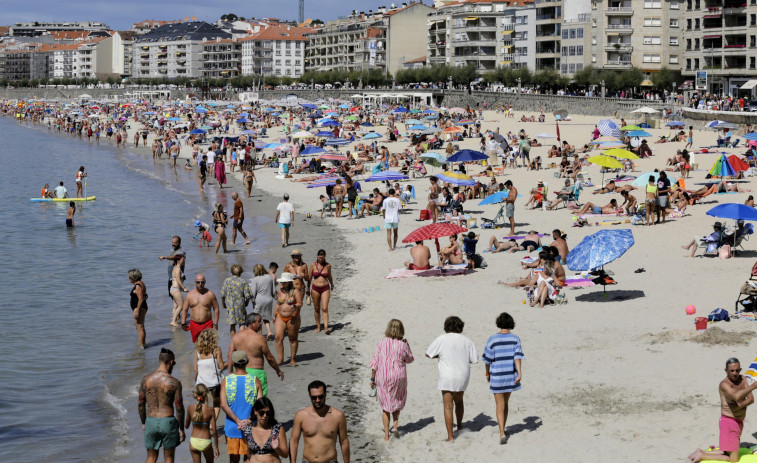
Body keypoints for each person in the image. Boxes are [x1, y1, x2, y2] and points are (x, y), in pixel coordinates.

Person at [688, 358, 757, 463]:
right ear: (726, 371)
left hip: (739, 421)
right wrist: (753, 386)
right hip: (729, 422)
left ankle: (699, 452)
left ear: (740, 369)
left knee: (728, 451)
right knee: (734, 459)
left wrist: (741, 404)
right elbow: (736, 396)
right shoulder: (724, 384)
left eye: (737, 370)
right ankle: (702, 455)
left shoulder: (743, 379)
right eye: (732, 371)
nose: (735, 373)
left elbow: (751, 399)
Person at [425, 316, 479, 442]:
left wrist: (440, 355)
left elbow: (428, 353)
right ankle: (459, 426)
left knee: (448, 406)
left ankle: (450, 436)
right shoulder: (467, 341)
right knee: (459, 401)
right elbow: (474, 359)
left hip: (447, 374)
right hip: (462, 374)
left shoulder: (442, 339)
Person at [482, 312, 524, 445]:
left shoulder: (493, 339)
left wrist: (487, 373)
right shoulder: (515, 339)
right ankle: (503, 429)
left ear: (499, 323)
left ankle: (501, 432)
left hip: (498, 375)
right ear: (511, 323)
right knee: (506, 403)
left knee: (499, 404)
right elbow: (517, 356)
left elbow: (487, 359)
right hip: (510, 375)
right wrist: (519, 373)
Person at [369, 319, 415, 440]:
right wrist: (408, 346)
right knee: (396, 400)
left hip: (383, 376)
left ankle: (386, 435)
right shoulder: (403, 344)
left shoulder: (382, 342)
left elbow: (375, 362)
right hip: (399, 376)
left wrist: (372, 378)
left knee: (385, 406)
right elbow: (410, 359)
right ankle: (395, 425)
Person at [139, 348, 185, 463]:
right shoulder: (174, 382)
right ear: (171, 362)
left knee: (151, 457)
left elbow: (140, 403)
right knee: (169, 458)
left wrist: (144, 422)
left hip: (151, 421)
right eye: (173, 364)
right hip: (167, 421)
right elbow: (179, 407)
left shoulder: (146, 379)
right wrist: (181, 428)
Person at [290, 380, 350, 463]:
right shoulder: (301, 415)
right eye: (314, 397)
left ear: (325, 395)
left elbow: (344, 441)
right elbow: (293, 441)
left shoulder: (338, 416)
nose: (317, 400)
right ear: (309, 396)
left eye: (320, 397)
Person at [228, 313, 285, 398]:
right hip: (257, 373)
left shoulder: (236, 337)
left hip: (241, 373)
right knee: (260, 401)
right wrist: (278, 370)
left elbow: (230, 355)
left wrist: (230, 372)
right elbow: (269, 357)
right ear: (252, 324)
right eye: (259, 321)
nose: (261, 323)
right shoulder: (259, 338)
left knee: (246, 399)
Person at [220, 351, 263, 463]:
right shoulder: (255, 380)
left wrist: (238, 421)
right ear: (247, 362)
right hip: (251, 426)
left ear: (233, 363)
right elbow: (260, 406)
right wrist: (248, 421)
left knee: (233, 459)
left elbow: (223, 405)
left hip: (232, 426)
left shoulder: (226, 381)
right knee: (248, 458)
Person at [242, 397, 289, 462]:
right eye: (261, 413)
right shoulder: (248, 430)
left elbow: (285, 454)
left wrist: (277, 448)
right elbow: (248, 454)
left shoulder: (277, 429)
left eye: (268, 413)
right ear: (255, 411)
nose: (265, 416)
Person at [194, 329, 225, 420]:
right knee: (216, 404)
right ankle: (212, 423)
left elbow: (195, 370)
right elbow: (221, 367)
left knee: (203, 404)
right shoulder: (216, 350)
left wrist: (195, 381)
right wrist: (227, 363)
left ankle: (205, 423)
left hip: (201, 383)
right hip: (214, 383)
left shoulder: (198, 352)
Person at [274, 272, 304, 366]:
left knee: (293, 339)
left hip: (293, 317)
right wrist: (275, 314)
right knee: (278, 338)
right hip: (280, 316)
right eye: (282, 282)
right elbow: (278, 304)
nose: (282, 284)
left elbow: (300, 303)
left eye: (284, 282)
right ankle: (280, 359)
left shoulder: (295, 291)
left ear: (289, 282)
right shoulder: (279, 291)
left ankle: (292, 359)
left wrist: (294, 305)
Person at [181, 273, 220, 343]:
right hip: (194, 325)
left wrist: (216, 324)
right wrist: (183, 323)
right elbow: (185, 310)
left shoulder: (210, 294)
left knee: (209, 346)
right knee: (197, 346)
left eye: (202, 282)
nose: (200, 284)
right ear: (194, 282)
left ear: (205, 282)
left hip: (207, 324)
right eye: (198, 282)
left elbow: (216, 308)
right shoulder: (189, 295)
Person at [184, 384, 219, 463]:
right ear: (206, 394)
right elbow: (214, 431)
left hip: (194, 442)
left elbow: (186, 426)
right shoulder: (210, 410)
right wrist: (216, 448)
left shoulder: (190, 408)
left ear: (195, 394)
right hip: (206, 441)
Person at [221, 264, 252, 335]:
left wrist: (224, 303)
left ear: (231, 272)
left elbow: (223, 295)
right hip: (240, 305)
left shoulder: (227, 281)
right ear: (241, 272)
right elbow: (248, 295)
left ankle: (234, 341)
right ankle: (241, 340)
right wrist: (246, 303)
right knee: (242, 323)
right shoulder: (243, 281)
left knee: (232, 324)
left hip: (230, 305)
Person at [308, 249, 334, 334]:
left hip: (325, 288)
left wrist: (332, 284)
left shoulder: (328, 266)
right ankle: (318, 326)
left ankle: (326, 328)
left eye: (322, 256)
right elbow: (310, 277)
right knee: (316, 308)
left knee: (325, 308)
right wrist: (308, 288)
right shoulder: (313, 265)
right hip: (315, 288)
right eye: (320, 256)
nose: (321, 258)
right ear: (317, 256)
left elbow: (329, 276)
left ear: (325, 257)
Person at [250, 264, 277, 340]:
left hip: (259, 300)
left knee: (258, 318)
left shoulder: (255, 279)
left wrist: (252, 301)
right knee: (266, 317)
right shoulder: (269, 277)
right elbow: (274, 291)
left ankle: (260, 335)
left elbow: (253, 292)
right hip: (269, 300)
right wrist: (277, 298)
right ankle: (269, 331)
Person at [129, 269, 148, 349]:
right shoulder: (140, 284)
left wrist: (137, 310)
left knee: (140, 328)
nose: (129, 278)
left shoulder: (138, 285)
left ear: (133, 277)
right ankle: (143, 344)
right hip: (141, 307)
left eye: (129, 277)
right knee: (140, 327)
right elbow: (144, 296)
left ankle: (141, 347)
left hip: (140, 307)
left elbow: (141, 298)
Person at [169, 255, 188, 327]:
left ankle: (174, 320)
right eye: (183, 259)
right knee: (181, 306)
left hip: (173, 289)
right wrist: (184, 288)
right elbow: (178, 280)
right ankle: (173, 321)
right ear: (178, 260)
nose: (184, 261)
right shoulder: (177, 269)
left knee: (176, 305)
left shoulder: (176, 268)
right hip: (176, 289)